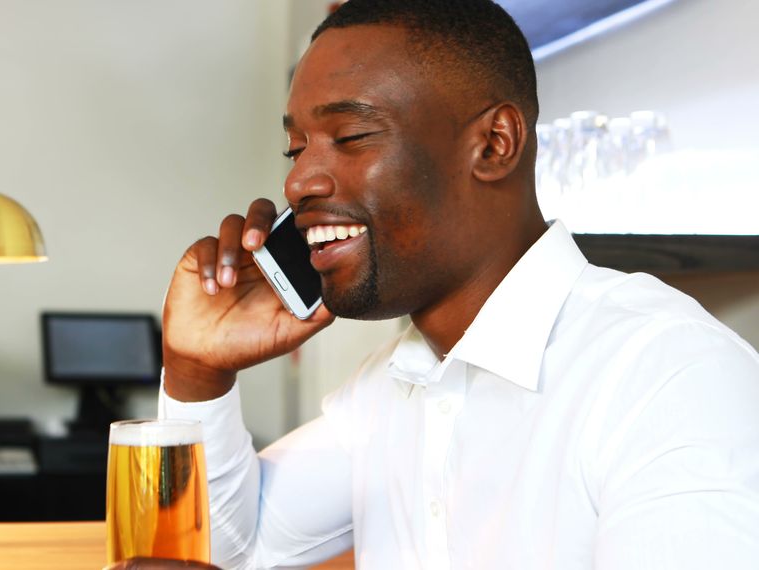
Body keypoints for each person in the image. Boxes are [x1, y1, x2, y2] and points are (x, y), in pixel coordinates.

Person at [156, 0, 759, 568]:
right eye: (296, 149)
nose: (298, 183)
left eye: (350, 138)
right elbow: (231, 548)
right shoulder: (393, 385)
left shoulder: (667, 377)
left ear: (495, 144)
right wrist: (197, 373)